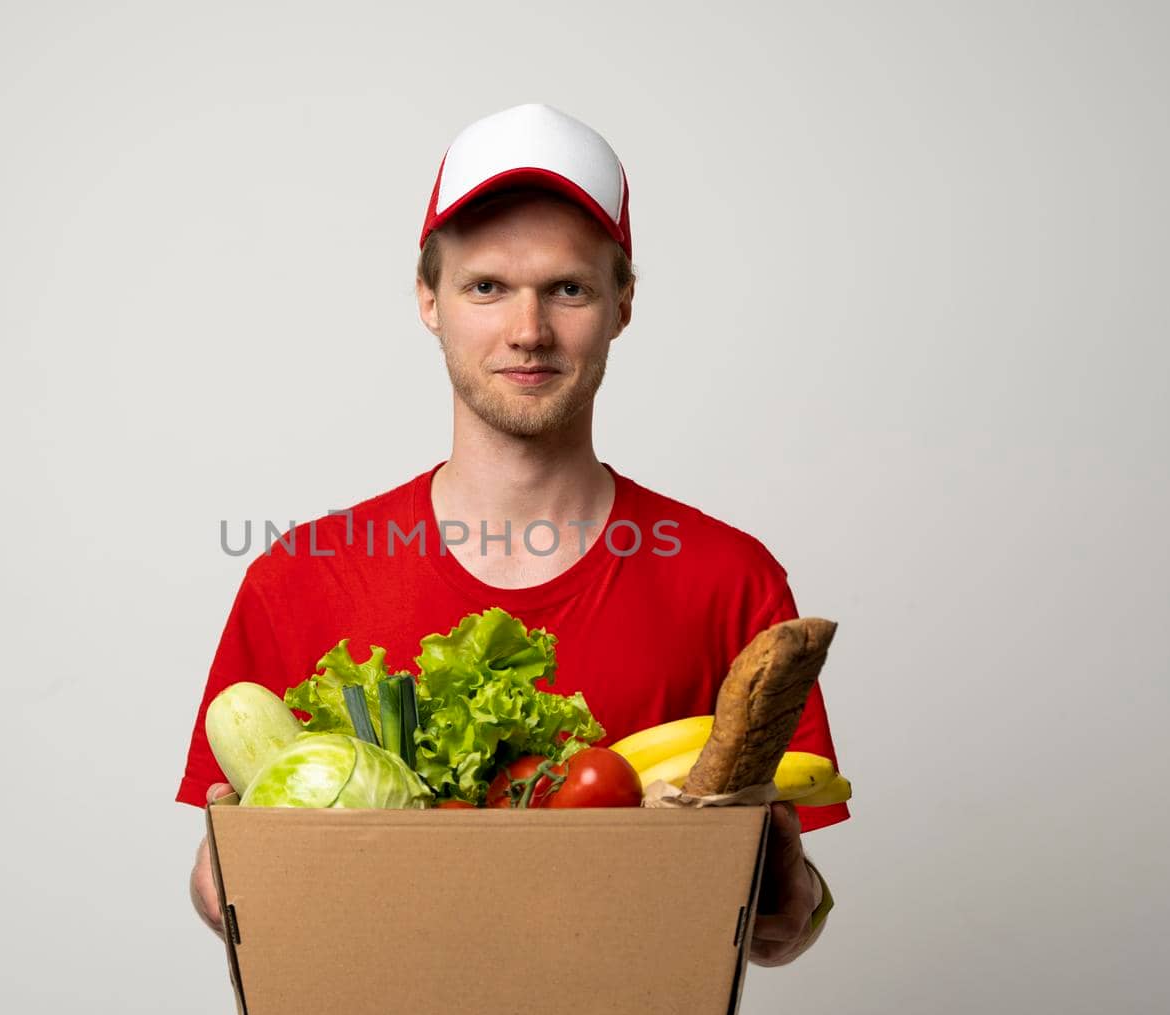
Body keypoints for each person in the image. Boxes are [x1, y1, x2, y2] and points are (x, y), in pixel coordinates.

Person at [178, 103, 848, 967]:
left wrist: (785, 883)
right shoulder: (300, 577)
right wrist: (239, 875)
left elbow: (787, 920)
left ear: (623, 304)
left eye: (567, 288)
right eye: (486, 286)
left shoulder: (729, 579)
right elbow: (222, 876)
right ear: (429, 299)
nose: (527, 331)